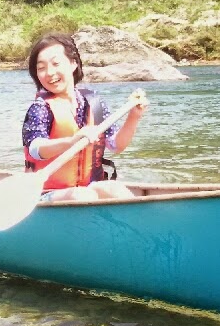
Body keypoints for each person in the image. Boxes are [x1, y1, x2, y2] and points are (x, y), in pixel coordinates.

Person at [22, 33, 149, 202]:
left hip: (88, 187)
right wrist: (71, 141)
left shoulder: (93, 102)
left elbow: (116, 145)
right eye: (41, 68)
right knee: (81, 195)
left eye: (56, 64)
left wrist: (133, 116)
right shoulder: (40, 108)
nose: (49, 72)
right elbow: (36, 149)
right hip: (46, 194)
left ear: (73, 63)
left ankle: (138, 219)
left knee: (114, 188)